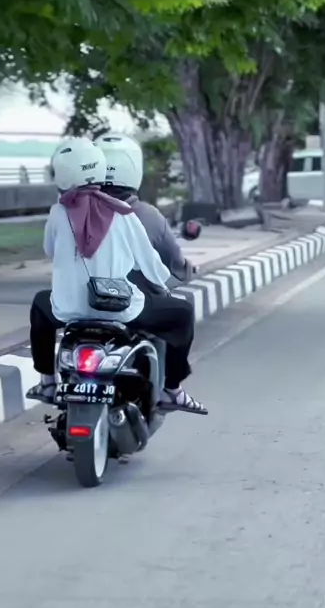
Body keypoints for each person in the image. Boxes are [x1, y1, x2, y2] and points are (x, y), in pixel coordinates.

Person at [27, 136, 207, 415]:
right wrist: (161, 282)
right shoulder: (124, 213)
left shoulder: (59, 212)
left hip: (68, 310)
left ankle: (47, 382)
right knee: (182, 313)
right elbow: (150, 263)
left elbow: (50, 251)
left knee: (40, 304)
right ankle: (171, 390)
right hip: (118, 307)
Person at [94, 132, 194, 296]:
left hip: (81, 303)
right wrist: (187, 269)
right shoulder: (149, 216)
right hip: (134, 304)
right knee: (184, 309)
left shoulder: (72, 214)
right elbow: (177, 268)